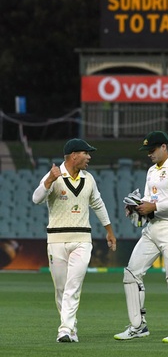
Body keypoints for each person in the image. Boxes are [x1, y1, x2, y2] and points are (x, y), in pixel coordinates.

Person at [32, 138, 117, 342]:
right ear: (74, 155)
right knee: (61, 288)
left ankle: (64, 329)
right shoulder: (54, 175)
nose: (89, 157)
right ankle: (72, 328)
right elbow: (36, 199)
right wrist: (49, 182)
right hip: (56, 240)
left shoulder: (89, 179)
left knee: (73, 285)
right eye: (86, 153)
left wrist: (109, 231)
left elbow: (98, 204)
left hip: (82, 239)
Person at [114, 131, 168, 343]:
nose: (149, 154)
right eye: (148, 150)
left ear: (164, 147)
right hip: (152, 228)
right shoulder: (151, 171)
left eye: (153, 149)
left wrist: (154, 206)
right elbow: (149, 198)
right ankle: (138, 326)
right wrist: (137, 207)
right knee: (131, 274)